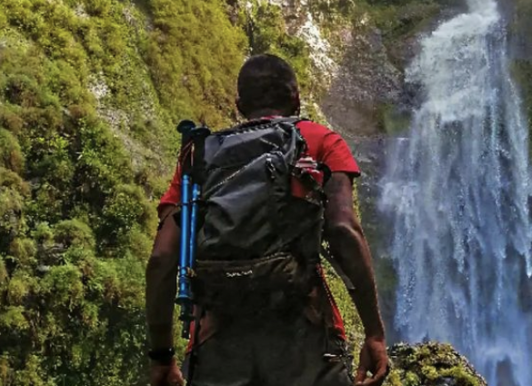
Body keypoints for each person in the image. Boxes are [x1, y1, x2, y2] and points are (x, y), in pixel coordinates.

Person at [145, 55, 389, 386]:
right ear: (296, 99)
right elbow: (344, 229)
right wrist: (374, 332)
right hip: (304, 336)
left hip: (217, 342)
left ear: (240, 104)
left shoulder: (199, 156)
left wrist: (162, 356)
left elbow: (161, 259)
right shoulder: (319, 141)